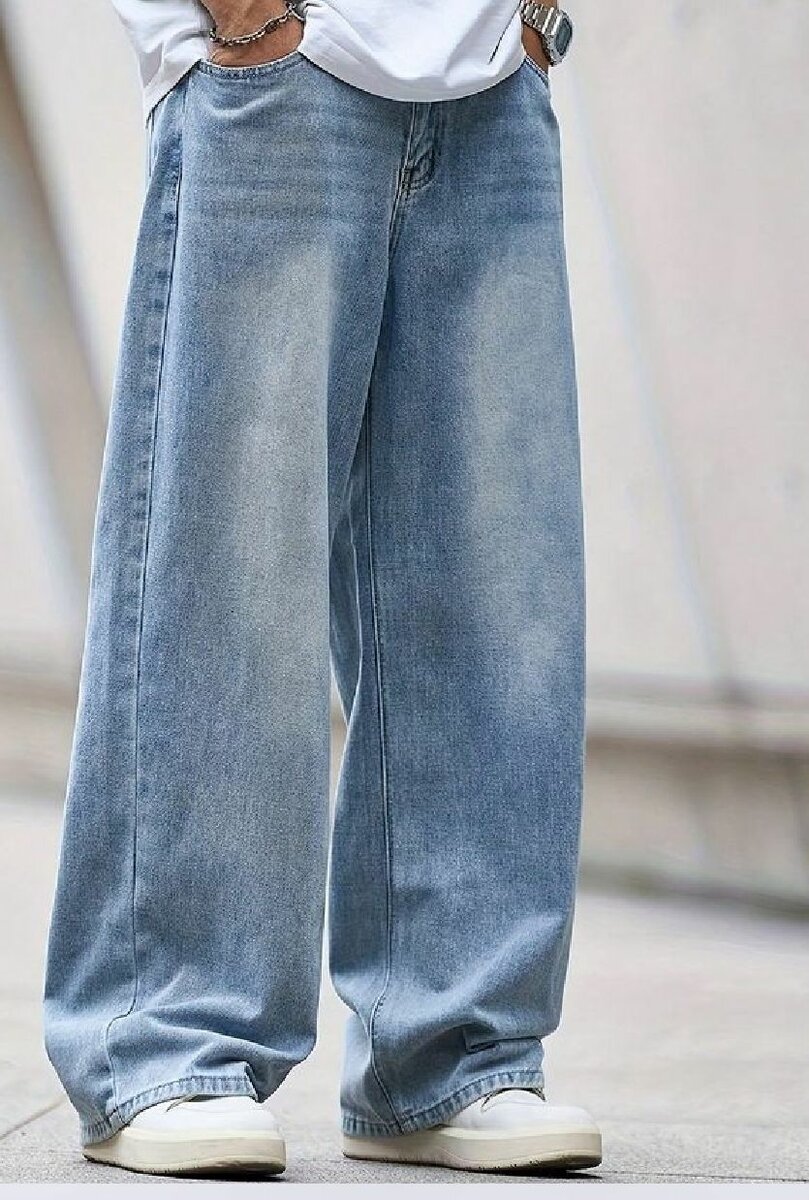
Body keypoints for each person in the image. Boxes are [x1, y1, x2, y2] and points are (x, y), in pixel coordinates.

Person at [43, 0, 600, 1178]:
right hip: (272, 67)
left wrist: (535, 22)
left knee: (494, 597)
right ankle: (165, 1044)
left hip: (492, 78)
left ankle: (453, 1051)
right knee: (227, 585)